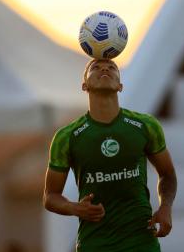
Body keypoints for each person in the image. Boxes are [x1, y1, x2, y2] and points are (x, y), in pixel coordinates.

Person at [43, 59, 177, 252]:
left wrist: (166, 207)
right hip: (95, 244)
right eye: (95, 68)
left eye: (112, 68)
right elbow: (50, 196)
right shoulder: (67, 137)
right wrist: (74, 208)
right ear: (84, 85)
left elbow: (168, 174)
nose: (105, 68)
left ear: (120, 86)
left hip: (141, 242)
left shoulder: (146, 126)